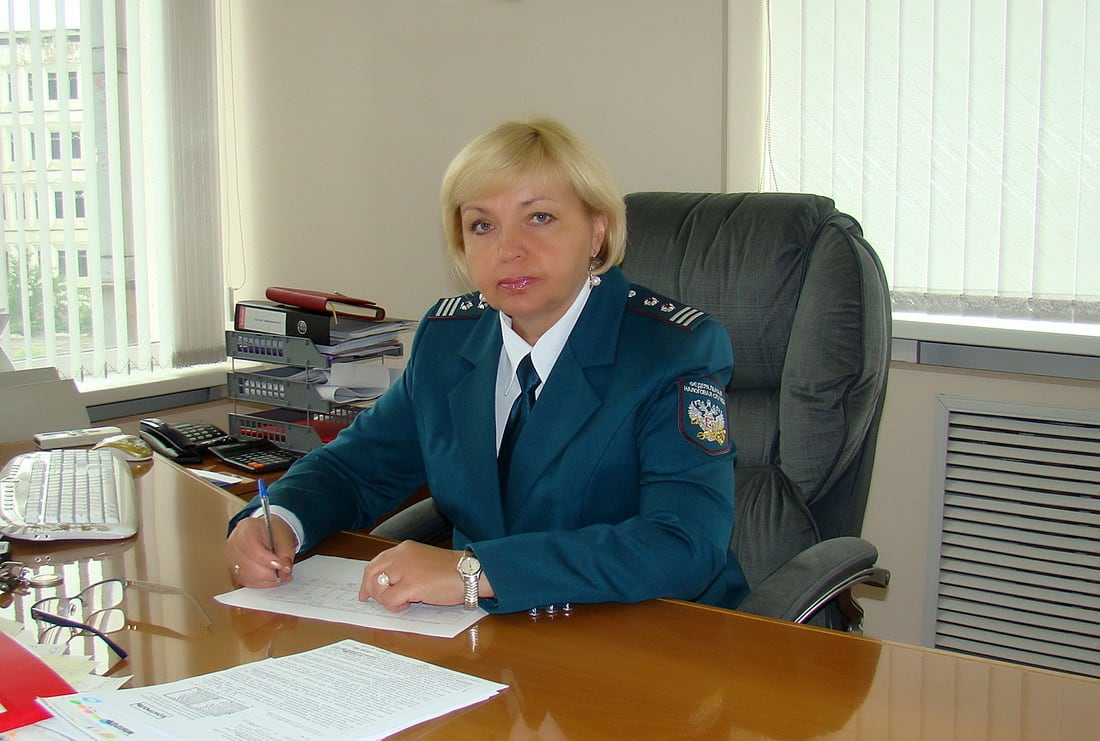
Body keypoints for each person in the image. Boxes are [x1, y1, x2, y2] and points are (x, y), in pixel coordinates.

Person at [226, 117, 749, 614]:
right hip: (491, 635)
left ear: (597, 232)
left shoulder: (669, 351)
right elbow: (357, 467)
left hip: (651, 633)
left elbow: (683, 543)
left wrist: (476, 572)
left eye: (539, 218)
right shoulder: (448, 340)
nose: (509, 249)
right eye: (482, 225)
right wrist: (280, 521)